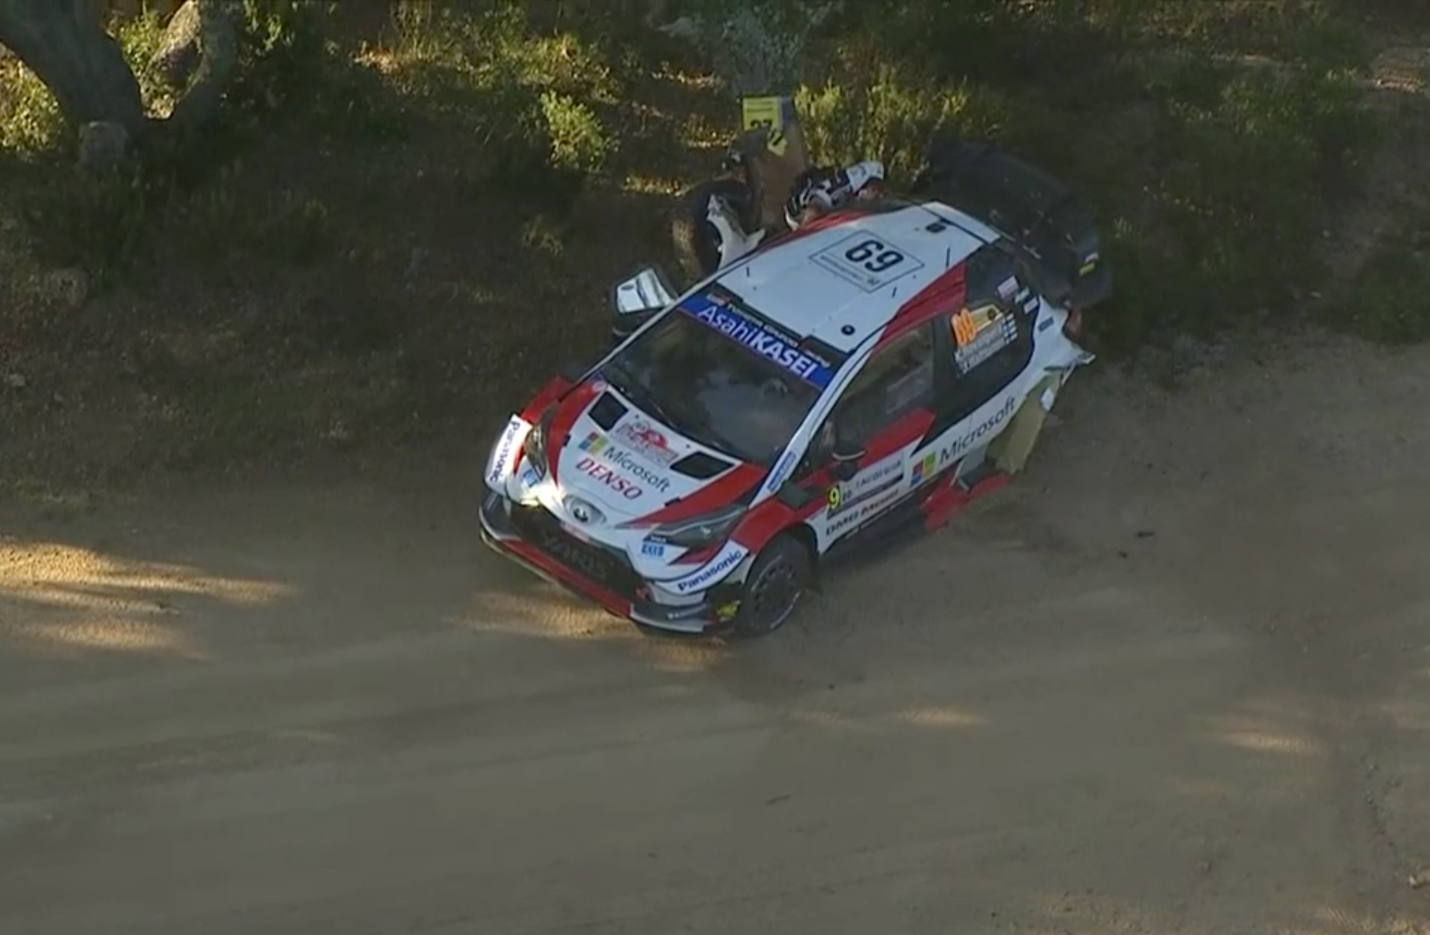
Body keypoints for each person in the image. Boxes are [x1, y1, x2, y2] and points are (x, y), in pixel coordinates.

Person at [783, 159, 887, 230]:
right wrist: (803, 232)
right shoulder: (838, 189)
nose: (877, 196)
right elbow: (814, 209)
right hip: (798, 217)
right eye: (874, 190)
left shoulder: (847, 188)